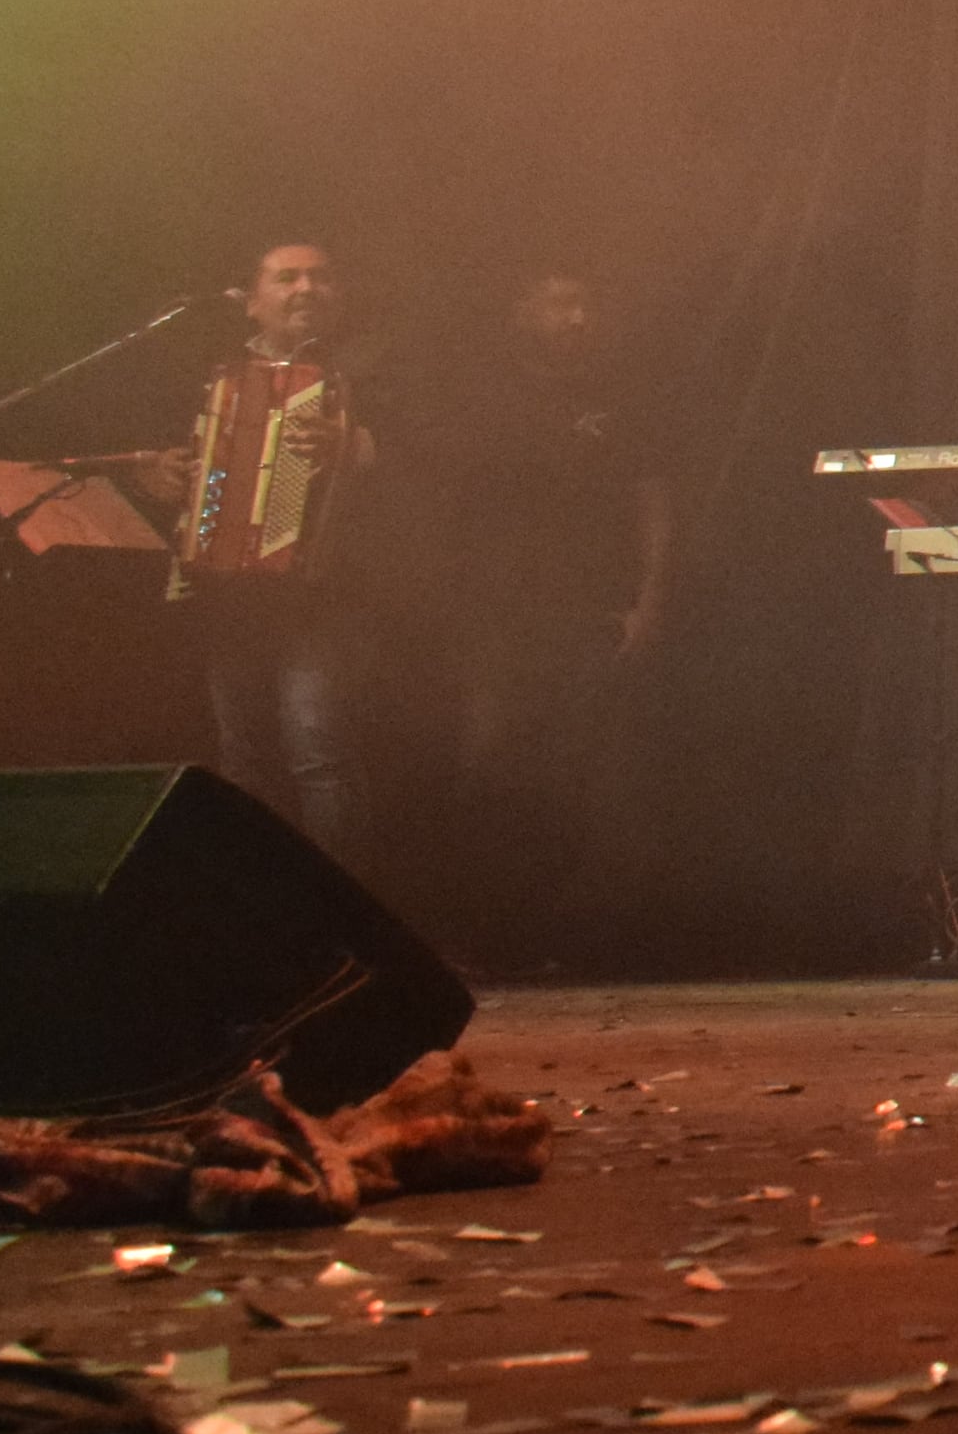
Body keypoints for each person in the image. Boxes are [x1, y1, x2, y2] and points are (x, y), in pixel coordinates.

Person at [429, 269, 674, 957]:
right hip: (494, 611)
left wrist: (650, 597)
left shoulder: (619, 398)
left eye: (586, 302)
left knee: (574, 767)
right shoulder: (483, 395)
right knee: (491, 755)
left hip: (589, 606)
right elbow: (445, 499)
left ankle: (558, 927)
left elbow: (650, 498)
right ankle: (485, 923)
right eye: (560, 304)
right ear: (521, 312)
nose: (577, 318)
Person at [137, 241, 380, 860]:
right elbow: (180, 461)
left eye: (320, 278)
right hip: (229, 593)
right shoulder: (211, 373)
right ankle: (255, 907)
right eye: (287, 277)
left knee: (317, 750)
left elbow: (438, 461)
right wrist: (163, 472)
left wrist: (352, 445)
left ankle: (339, 918)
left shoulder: (368, 370)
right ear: (251, 302)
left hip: (324, 592)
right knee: (241, 759)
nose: (305, 288)